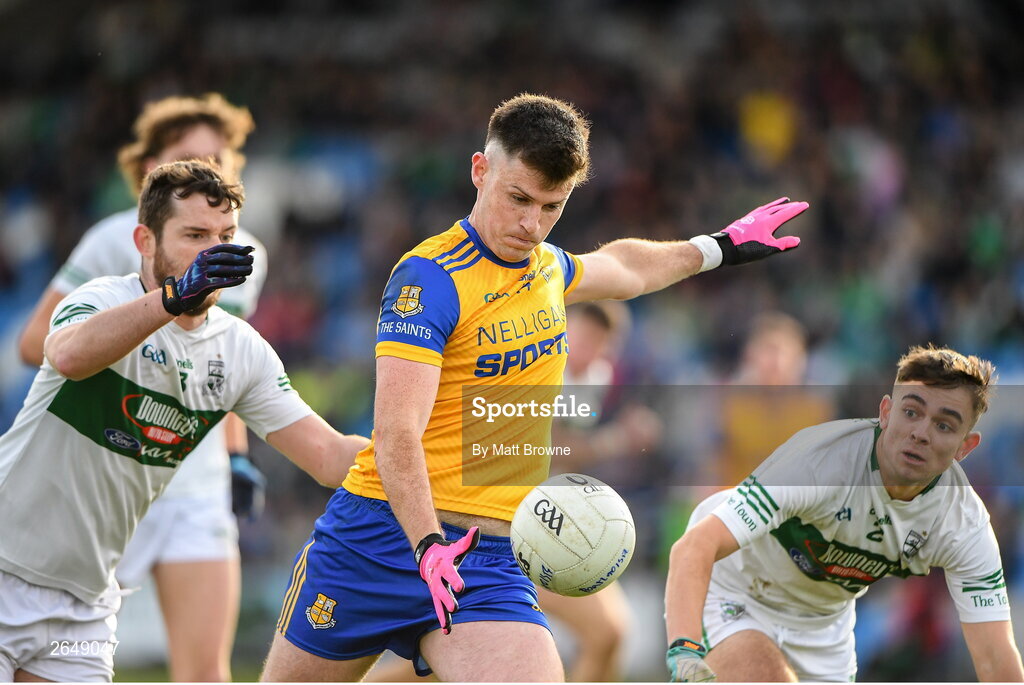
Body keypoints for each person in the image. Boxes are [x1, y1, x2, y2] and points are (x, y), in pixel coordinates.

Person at [261, 92, 807, 682]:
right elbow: (396, 434)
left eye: (552, 206)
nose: (531, 224)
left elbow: (624, 268)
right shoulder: (430, 279)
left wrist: (716, 248)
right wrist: (427, 547)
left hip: (488, 561)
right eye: (519, 198)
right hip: (379, 540)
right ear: (480, 170)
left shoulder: (547, 270)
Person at [0, 160, 366, 683]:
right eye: (194, 235)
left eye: (225, 236)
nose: (213, 250)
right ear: (145, 241)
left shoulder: (240, 350)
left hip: (82, 604)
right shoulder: (103, 299)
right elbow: (68, 355)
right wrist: (172, 300)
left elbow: (329, 458)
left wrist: (421, 447)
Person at [16, 93, 268, 681]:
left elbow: (224, 364)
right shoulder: (116, 238)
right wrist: (150, 321)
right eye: (188, 156)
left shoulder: (247, 250)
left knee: (206, 673)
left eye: (220, 155)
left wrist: (234, 457)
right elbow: (39, 344)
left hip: (196, 486)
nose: (209, 167)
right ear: (150, 168)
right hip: (112, 473)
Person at [664, 345, 1024, 682]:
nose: (920, 433)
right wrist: (684, 647)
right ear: (885, 413)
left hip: (825, 625)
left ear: (966, 447)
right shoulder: (819, 463)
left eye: (943, 425)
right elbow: (695, 546)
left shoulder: (964, 523)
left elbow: (994, 654)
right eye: (911, 412)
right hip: (737, 590)